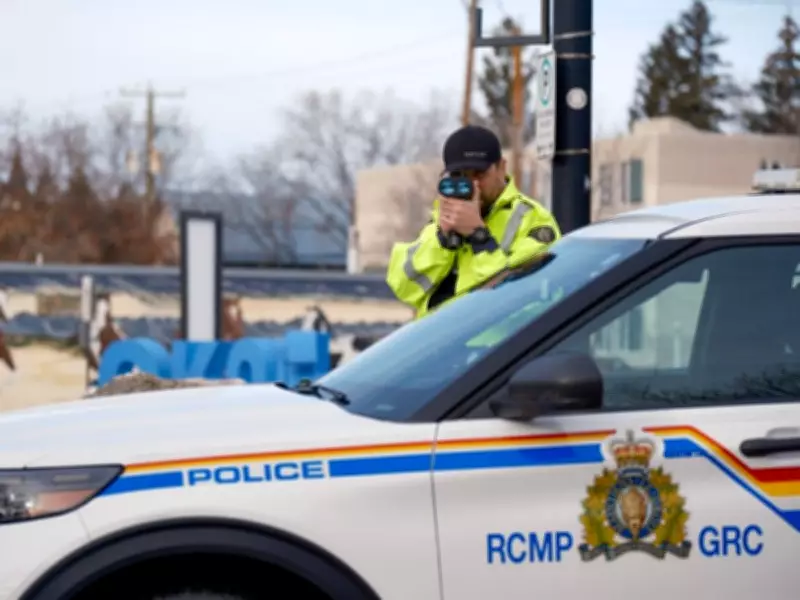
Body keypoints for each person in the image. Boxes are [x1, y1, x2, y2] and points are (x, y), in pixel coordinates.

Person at [386, 124, 562, 319]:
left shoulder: (531, 218)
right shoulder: (444, 216)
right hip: (438, 342)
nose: (472, 185)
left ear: (501, 168)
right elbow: (404, 287)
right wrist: (442, 241)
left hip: (494, 346)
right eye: (460, 176)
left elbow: (526, 299)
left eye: (479, 174)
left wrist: (479, 237)